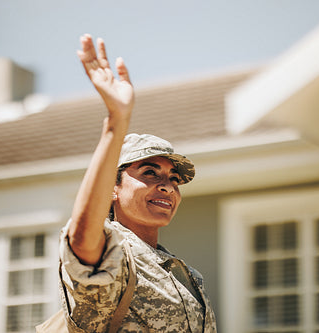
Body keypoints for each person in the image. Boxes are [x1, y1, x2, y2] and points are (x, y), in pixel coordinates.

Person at [58, 34, 217, 332]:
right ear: (112, 189)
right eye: (149, 172)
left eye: (173, 179)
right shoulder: (110, 254)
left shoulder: (187, 277)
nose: (168, 186)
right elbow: (81, 238)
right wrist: (116, 121)